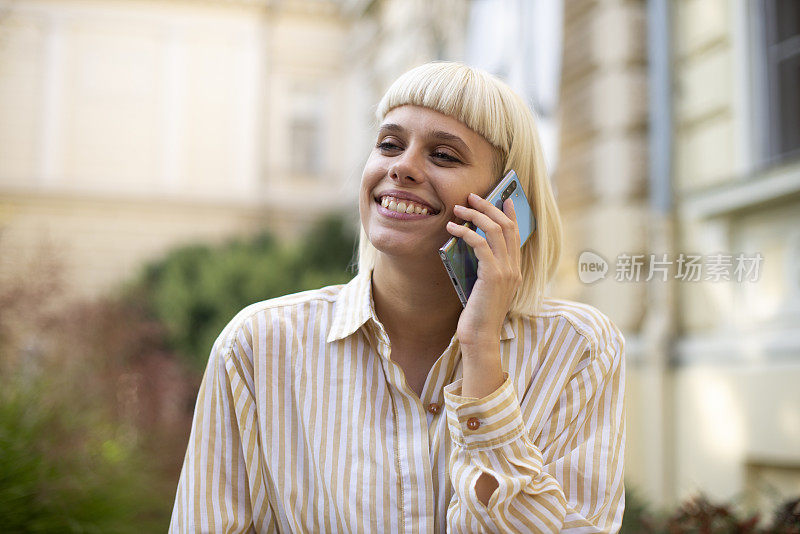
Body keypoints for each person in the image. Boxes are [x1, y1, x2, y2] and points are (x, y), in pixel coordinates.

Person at [169, 61, 625, 533]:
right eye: (389, 144)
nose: (402, 167)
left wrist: (481, 351)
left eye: (444, 155)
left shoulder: (578, 349)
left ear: (506, 203)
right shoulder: (257, 345)